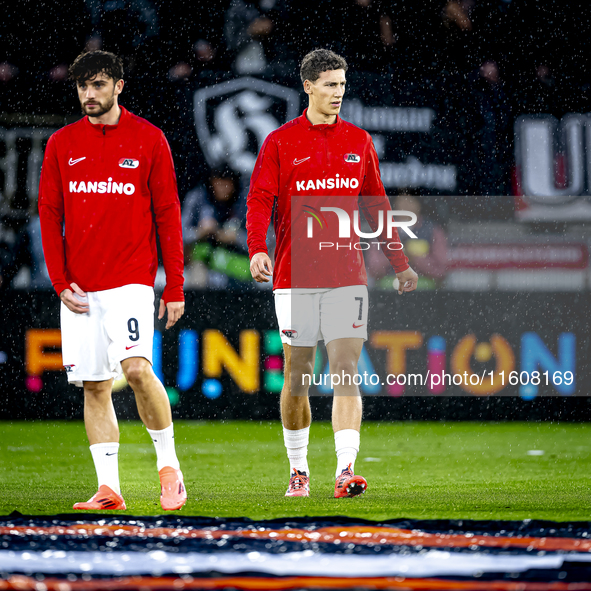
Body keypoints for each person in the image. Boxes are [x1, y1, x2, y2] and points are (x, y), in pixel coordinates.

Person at [246, 49, 418, 498]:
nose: (337, 93)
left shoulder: (359, 141)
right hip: (294, 276)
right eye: (329, 84)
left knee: (346, 371)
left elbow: (377, 205)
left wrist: (399, 263)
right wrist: (255, 249)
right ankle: (299, 469)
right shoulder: (280, 142)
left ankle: (345, 471)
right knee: (298, 375)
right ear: (308, 86)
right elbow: (259, 201)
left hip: (347, 275)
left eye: (342, 85)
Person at [38, 50, 186, 511]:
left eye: (99, 85)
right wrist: (60, 281)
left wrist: (175, 284)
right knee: (95, 386)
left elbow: (168, 213)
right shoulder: (62, 143)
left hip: (130, 283)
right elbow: (49, 213)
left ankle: (169, 468)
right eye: (83, 86)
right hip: (79, 288)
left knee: (138, 370)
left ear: (119, 86)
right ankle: (109, 489)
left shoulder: (148, 139)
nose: (89, 94)